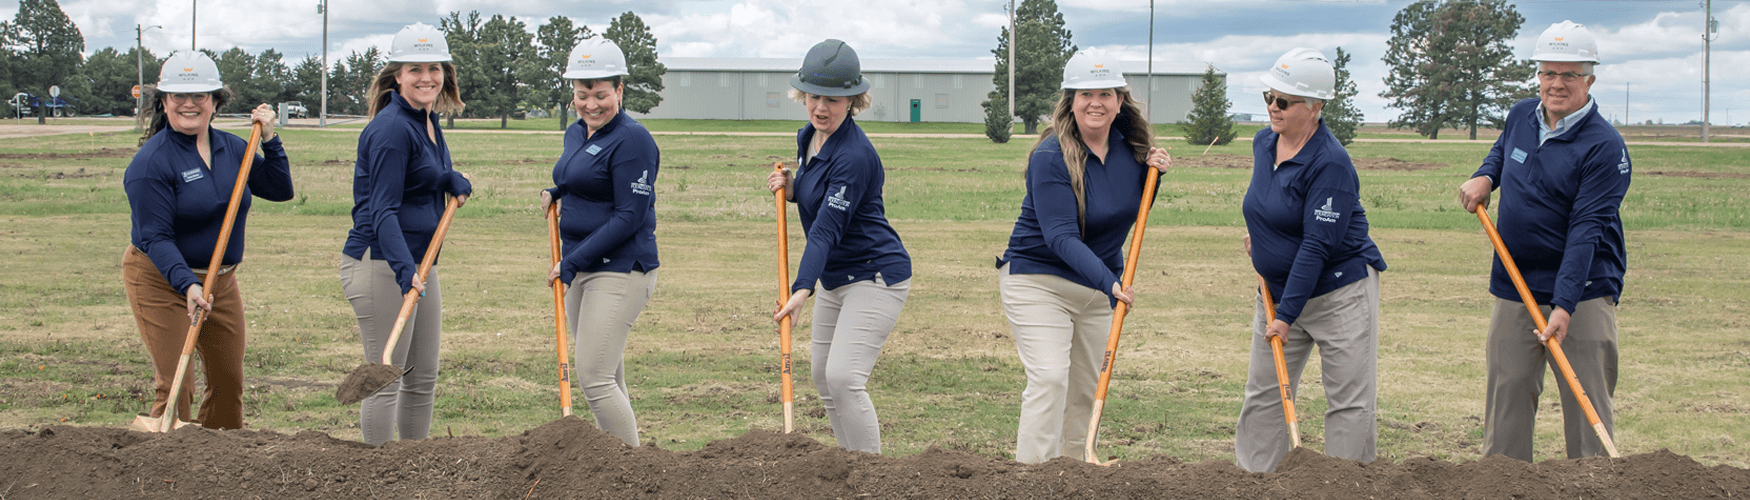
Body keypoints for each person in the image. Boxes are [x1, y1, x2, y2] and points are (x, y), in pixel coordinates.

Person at [1458, 21, 1630, 462]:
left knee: (1584, 401)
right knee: (1507, 397)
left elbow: (1585, 232)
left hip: (1584, 292)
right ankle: (1502, 487)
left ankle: (1592, 488)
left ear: (1589, 79)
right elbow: (1504, 149)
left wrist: (1565, 306)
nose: (1556, 84)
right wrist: (1486, 175)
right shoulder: (1521, 114)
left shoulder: (1604, 147)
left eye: (1569, 74)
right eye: (1548, 73)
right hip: (1515, 283)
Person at [996, 52, 1171, 464]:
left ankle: (1075, 473)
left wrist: (1154, 179)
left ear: (1119, 100)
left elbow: (1127, 212)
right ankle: (1032, 478)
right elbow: (1060, 237)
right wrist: (1110, 282)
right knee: (1050, 378)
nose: (1096, 102)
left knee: (1085, 388)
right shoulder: (1050, 156)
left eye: (1105, 93)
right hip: (1038, 279)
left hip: (1096, 288)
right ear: (1070, 100)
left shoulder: (1132, 153)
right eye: (1085, 93)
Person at [123, 51, 292, 430]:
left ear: (215, 101)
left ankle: (221, 466)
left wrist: (270, 138)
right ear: (163, 102)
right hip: (163, 280)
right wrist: (187, 284)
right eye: (178, 96)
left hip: (221, 281)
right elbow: (155, 237)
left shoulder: (234, 148)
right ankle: (165, 468)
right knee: (177, 383)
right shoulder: (151, 164)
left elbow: (280, 189)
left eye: (200, 95)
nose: (189, 104)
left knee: (228, 380)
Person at [1235, 48, 1387, 473]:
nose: (1271, 106)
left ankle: (1343, 484)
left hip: (1339, 292)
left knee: (1349, 400)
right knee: (1264, 394)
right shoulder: (1264, 142)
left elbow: (1318, 246)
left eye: (1283, 101)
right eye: (1269, 95)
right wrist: (1263, 240)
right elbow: (1269, 205)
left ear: (1315, 107)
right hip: (1278, 289)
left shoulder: (1331, 164)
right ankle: (1256, 481)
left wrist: (1286, 315)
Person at [765, 39, 911, 455]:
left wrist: (800, 289)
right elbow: (817, 194)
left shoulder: (855, 155)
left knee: (845, 378)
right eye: (813, 96)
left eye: (834, 99)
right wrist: (793, 188)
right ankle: (850, 466)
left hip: (874, 274)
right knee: (824, 378)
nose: (821, 107)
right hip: (836, 275)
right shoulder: (809, 137)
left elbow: (827, 228)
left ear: (854, 100)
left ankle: (871, 475)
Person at [340, 22, 472, 446]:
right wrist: (403, 270)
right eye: (414, 69)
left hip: (419, 263)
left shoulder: (428, 122)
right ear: (397, 75)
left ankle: (414, 467)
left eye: (433, 67)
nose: (426, 77)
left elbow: (418, 179)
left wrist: (450, 179)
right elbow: (382, 209)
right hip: (382, 262)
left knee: (422, 376)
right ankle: (378, 476)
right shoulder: (392, 129)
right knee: (385, 378)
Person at [539, 39, 660, 447]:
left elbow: (630, 215)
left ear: (620, 91)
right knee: (609, 376)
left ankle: (634, 475)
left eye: (601, 94)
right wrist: (556, 191)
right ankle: (620, 467)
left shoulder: (633, 140)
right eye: (582, 94)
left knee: (594, 377)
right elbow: (579, 177)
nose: (592, 104)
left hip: (621, 268)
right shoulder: (577, 133)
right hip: (582, 265)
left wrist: (571, 262)